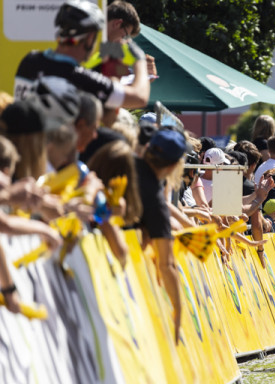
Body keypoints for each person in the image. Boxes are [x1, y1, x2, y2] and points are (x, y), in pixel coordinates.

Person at [14, 0, 149, 110]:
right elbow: (140, 98)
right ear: (90, 38)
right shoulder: (79, 79)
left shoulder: (29, 60)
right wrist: (140, 60)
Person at [135, 128, 191, 342]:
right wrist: (177, 311)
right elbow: (166, 265)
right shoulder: (155, 201)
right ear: (173, 166)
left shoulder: (124, 161)